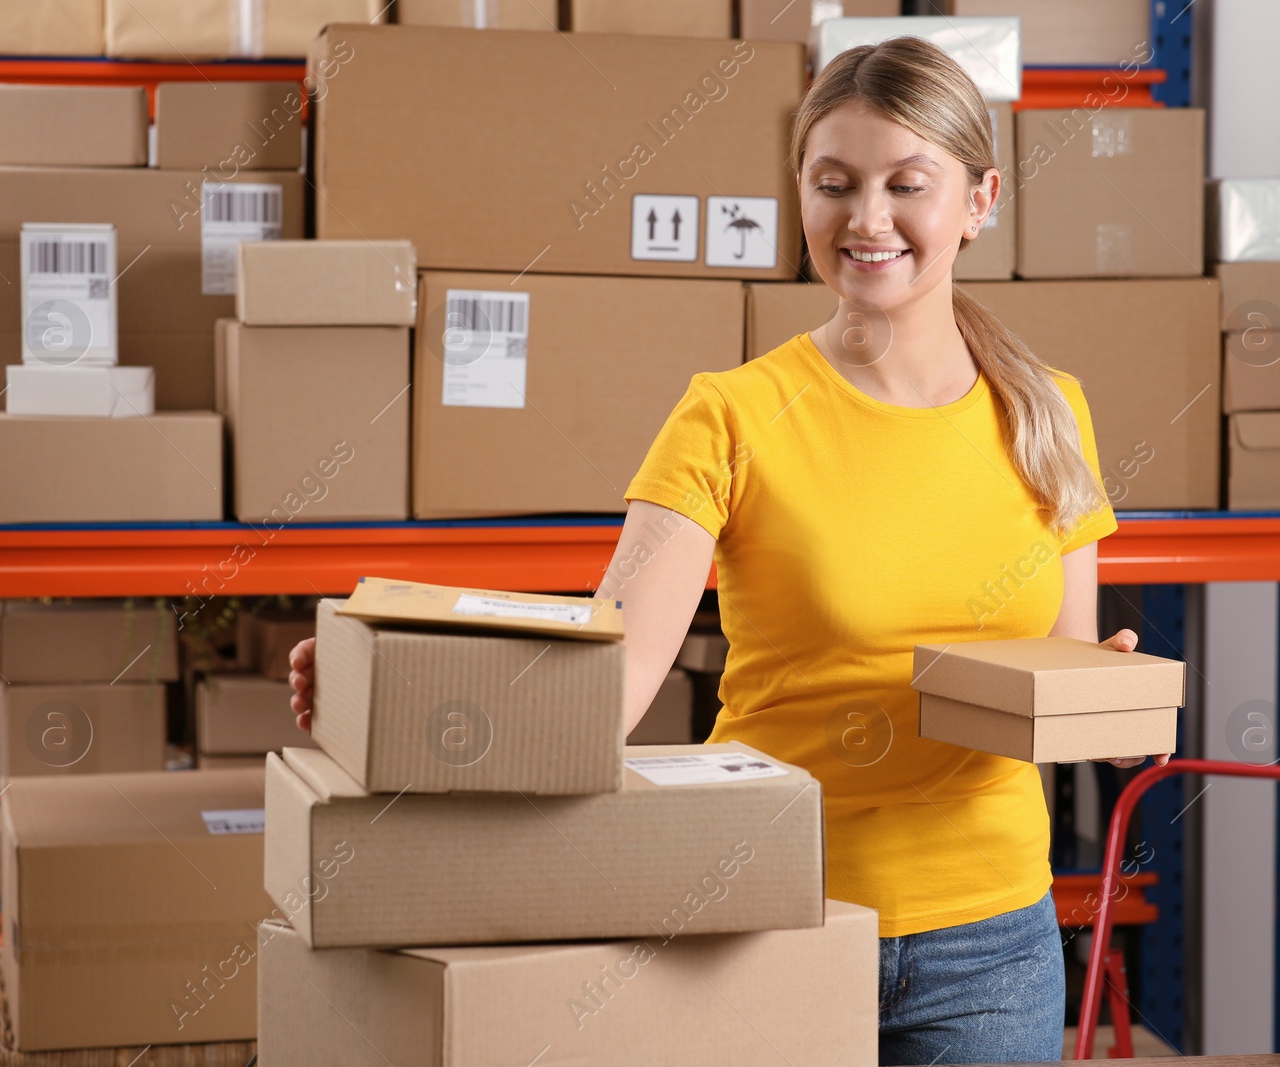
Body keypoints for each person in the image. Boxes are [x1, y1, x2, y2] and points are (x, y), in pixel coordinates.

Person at [288, 35, 1171, 1067]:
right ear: (798, 194)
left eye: (906, 184)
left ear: (978, 200)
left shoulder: (1046, 412)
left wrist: (1113, 712)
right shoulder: (732, 413)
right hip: (765, 912)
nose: (866, 219)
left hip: (992, 944)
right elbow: (606, 674)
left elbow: (1055, 681)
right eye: (833, 183)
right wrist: (396, 685)